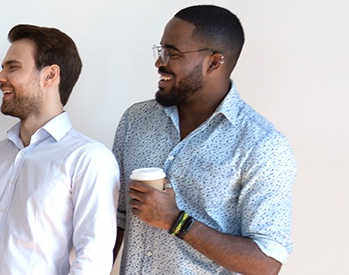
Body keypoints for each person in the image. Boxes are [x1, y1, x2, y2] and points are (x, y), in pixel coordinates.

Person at [112, 5, 297, 275]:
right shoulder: (136, 120)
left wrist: (177, 221)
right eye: (160, 50)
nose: (159, 62)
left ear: (213, 62)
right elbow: (116, 218)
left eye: (172, 53)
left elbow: (266, 263)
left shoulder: (263, 145)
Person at [0, 24, 119, 275]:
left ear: (50, 75)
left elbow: (92, 261)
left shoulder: (89, 159)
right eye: (3, 68)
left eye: (13, 67)